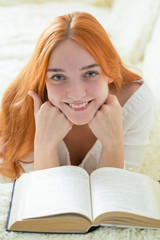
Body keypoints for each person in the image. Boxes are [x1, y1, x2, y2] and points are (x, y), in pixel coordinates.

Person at [0, 12, 153, 180]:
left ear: (111, 71)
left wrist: (113, 144)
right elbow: (44, 199)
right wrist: (45, 145)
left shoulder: (136, 102)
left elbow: (121, 195)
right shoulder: (21, 105)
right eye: (58, 77)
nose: (76, 94)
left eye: (90, 73)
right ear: (43, 80)